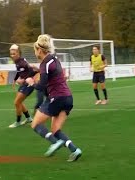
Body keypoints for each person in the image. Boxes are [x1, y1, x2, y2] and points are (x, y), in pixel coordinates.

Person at [26, 34, 82, 162]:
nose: (35, 53)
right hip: (68, 98)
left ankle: (54, 142)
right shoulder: (54, 59)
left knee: (35, 124)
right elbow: (51, 75)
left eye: (35, 50)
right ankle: (75, 150)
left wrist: (31, 82)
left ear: (39, 50)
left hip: (57, 98)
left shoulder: (44, 64)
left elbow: (41, 86)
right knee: (56, 129)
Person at [9, 44, 39, 128]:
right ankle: (29, 118)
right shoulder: (18, 61)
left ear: (18, 53)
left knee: (17, 102)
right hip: (25, 84)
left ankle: (18, 121)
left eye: (14, 54)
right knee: (18, 102)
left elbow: (31, 71)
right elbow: (19, 72)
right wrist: (15, 80)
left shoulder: (22, 62)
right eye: (11, 54)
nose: (12, 56)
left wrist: (24, 79)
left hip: (29, 84)